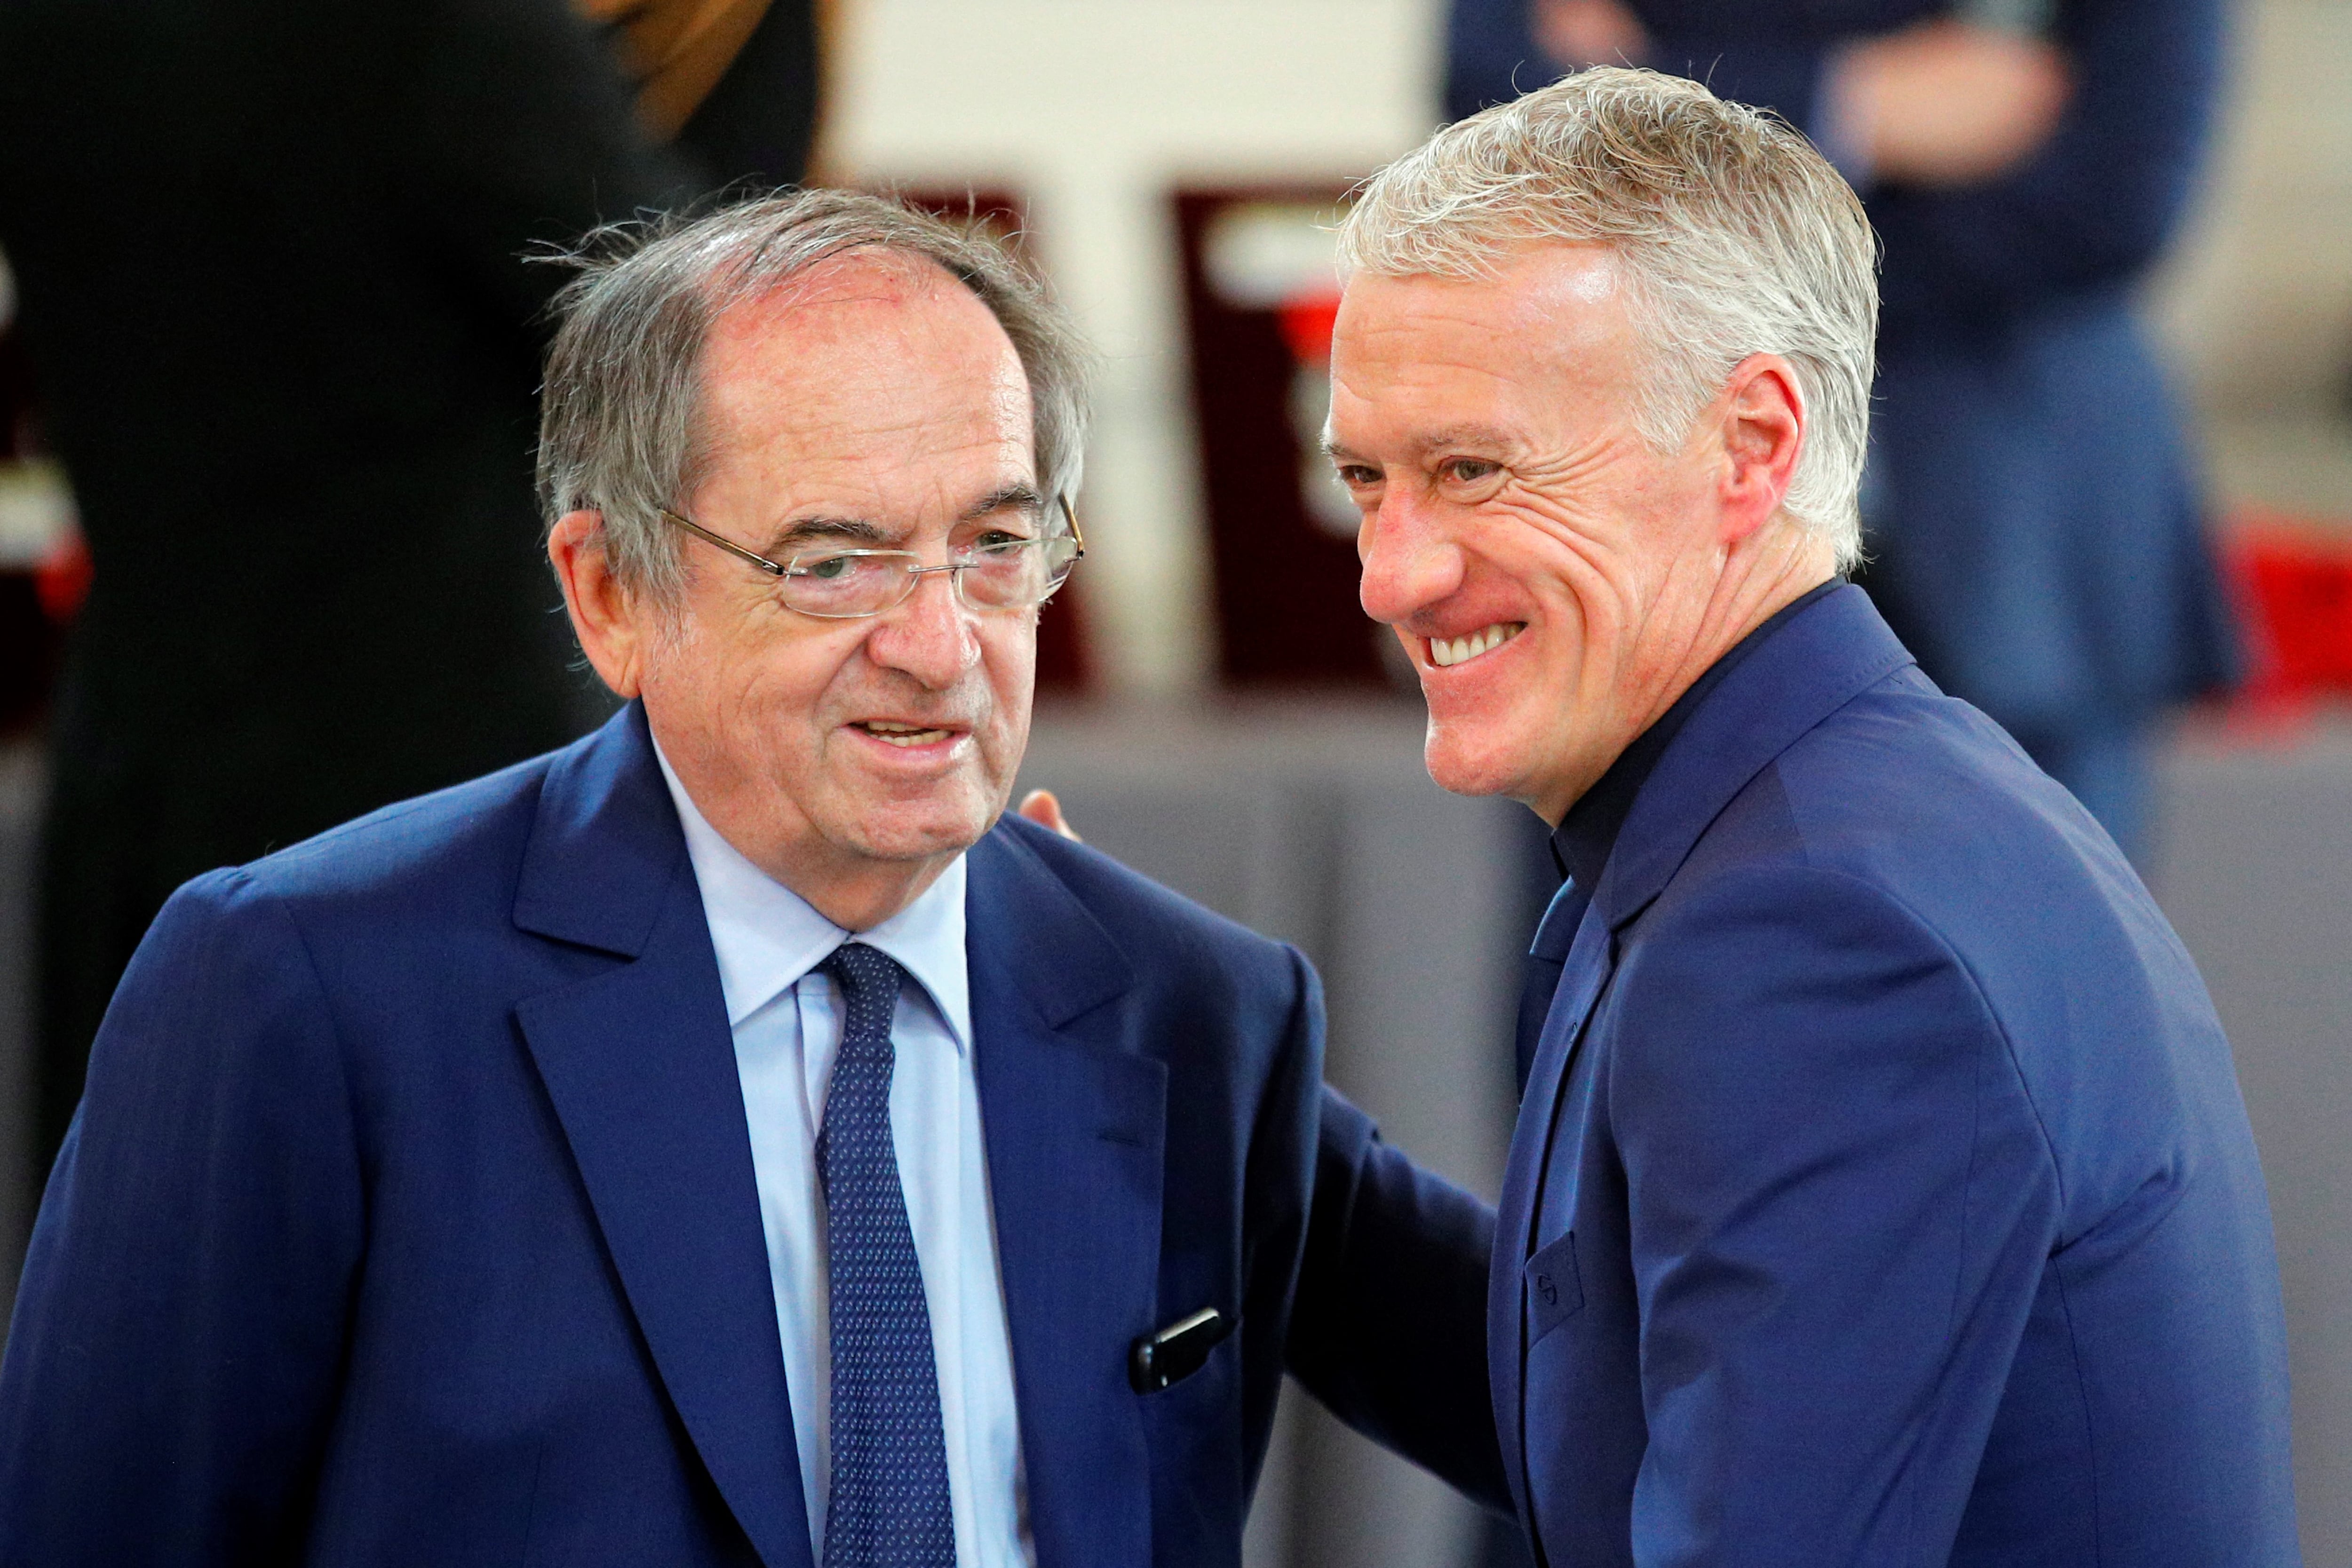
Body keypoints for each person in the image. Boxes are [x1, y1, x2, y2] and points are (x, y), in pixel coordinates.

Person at [0, 191, 1324, 1568]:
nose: (942, 645)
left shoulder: (1196, 1008)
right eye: (833, 562)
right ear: (611, 595)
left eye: (995, 546)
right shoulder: (309, 990)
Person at [1299, 69, 2297, 1562]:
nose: (1392, 574)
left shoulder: (1815, 924)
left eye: (1473, 471)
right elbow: (1600, 1406)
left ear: (1752, 447)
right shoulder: (1845, 808)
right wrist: (1194, 1053)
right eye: (1369, 482)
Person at [0, 0, 818, 1171]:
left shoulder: (46, 27)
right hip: (450, 781)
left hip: (144, 766)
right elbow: (698, 338)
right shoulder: (446, 27)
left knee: (159, 1285)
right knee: (489, 1296)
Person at [1445, 0, 2240, 866]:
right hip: (1655, 502)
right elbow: (1503, 119)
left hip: (2019, 536)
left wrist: (1657, 94)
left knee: (2029, 950)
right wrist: (1851, 104)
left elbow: (2115, 193)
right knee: (1633, 966)